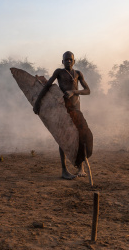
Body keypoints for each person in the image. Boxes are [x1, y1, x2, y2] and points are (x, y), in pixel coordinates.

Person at [33, 51, 93, 179]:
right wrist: (37, 102)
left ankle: (80, 167)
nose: (68, 62)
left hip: (76, 108)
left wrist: (73, 91)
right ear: (62, 62)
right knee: (63, 137)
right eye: (66, 60)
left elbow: (87, 90)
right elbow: (47, 86)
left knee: (80, 136)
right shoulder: (59, 72)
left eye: (71, 60)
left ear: (74, 61)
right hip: (63, 109)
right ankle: (64, 170)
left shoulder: (78, 74)